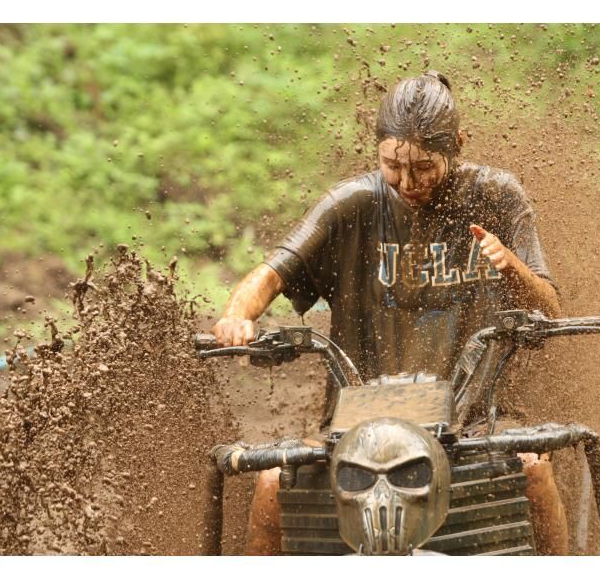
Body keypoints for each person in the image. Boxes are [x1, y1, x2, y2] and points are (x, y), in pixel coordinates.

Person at [212, 71, 567, 555]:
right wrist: (237, 314)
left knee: (534, 471)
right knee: (272, 484)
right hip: (357, 428)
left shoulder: (497, 195)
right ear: (377, 150)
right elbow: (272, 273)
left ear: (457, 145)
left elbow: (549, 309)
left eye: (423, 167)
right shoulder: (351, 204)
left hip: (477, 421)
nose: (406, 181)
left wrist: (512, 269)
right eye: (391, 166)